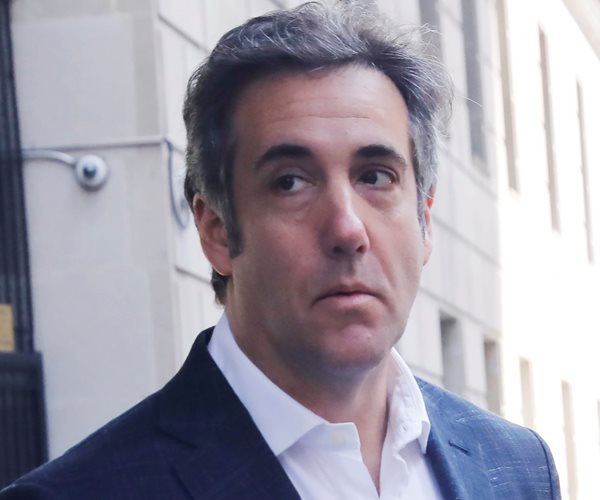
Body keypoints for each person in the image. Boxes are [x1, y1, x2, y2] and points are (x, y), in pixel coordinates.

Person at [1, 2, 560, 499]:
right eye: (290, 182)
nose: (347, 228)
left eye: (375, 175)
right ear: (217, 230)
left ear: (425, 220)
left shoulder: (518, 468)